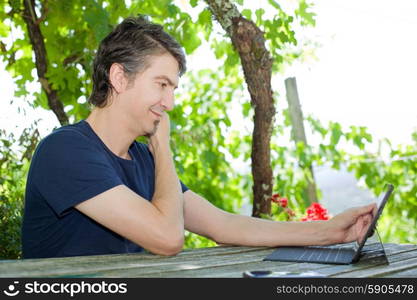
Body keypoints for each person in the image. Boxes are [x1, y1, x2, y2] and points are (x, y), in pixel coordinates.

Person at [21, 16, 375, 259]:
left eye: (173, 88)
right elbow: (167, 238)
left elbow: (223, 224)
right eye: (161, 85)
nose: (169, 102)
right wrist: (163, 148)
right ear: (119, 77)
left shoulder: (143, 161)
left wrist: (330, 232)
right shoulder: (65, 151)